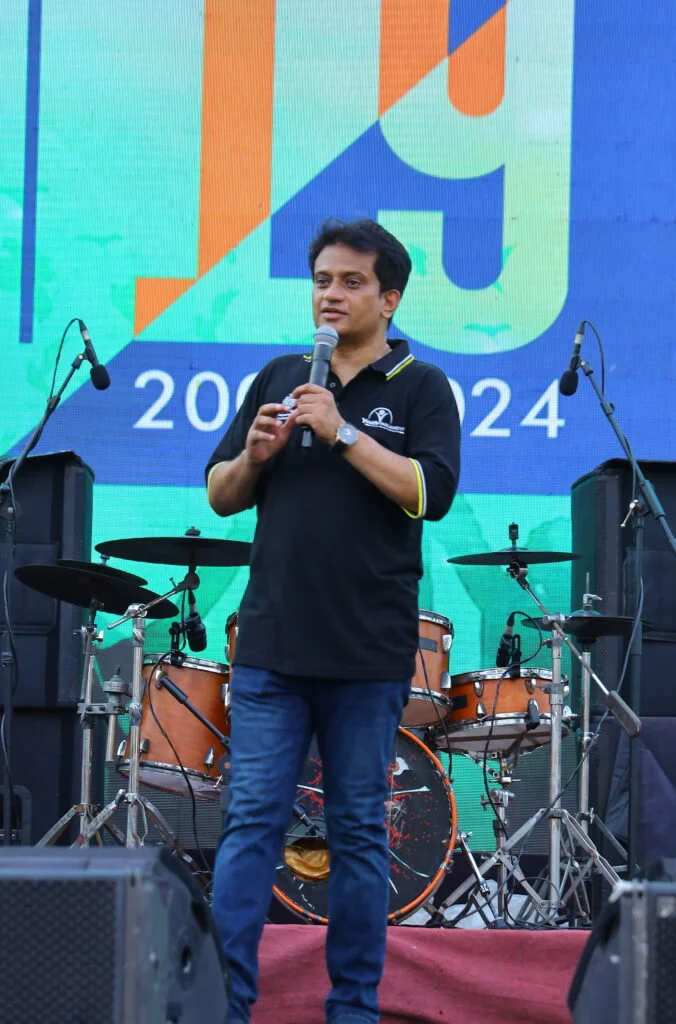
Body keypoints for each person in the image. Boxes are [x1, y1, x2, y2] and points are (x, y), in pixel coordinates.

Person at [206, 218, 460, 1023]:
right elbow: (220, 494)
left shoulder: (422, 387)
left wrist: (342, 431)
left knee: (356, 832)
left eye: (351, 282)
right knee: (252, 823)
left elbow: (430, 493)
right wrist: (254, 455)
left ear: (389, 299)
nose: (331, 295)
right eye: (321, 280)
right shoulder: (281, 376)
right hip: (272, 646)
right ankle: (224, 1003)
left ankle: (352, 1008)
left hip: (366, 650)